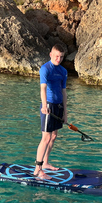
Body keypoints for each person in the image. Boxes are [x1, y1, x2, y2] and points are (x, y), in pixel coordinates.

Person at [33, 44, 68, 180]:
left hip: (58, 106)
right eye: (56, 56)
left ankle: (46, 163)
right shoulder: (45, 69)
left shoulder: (63, 71)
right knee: (46, 138)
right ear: (51, 55)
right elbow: (43, 88)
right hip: (48, 106)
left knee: (53, 136)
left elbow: (64, 92)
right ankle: (38, 169)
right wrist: (44, 105)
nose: (58, 59)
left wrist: (65, 112)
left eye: (61, 57)